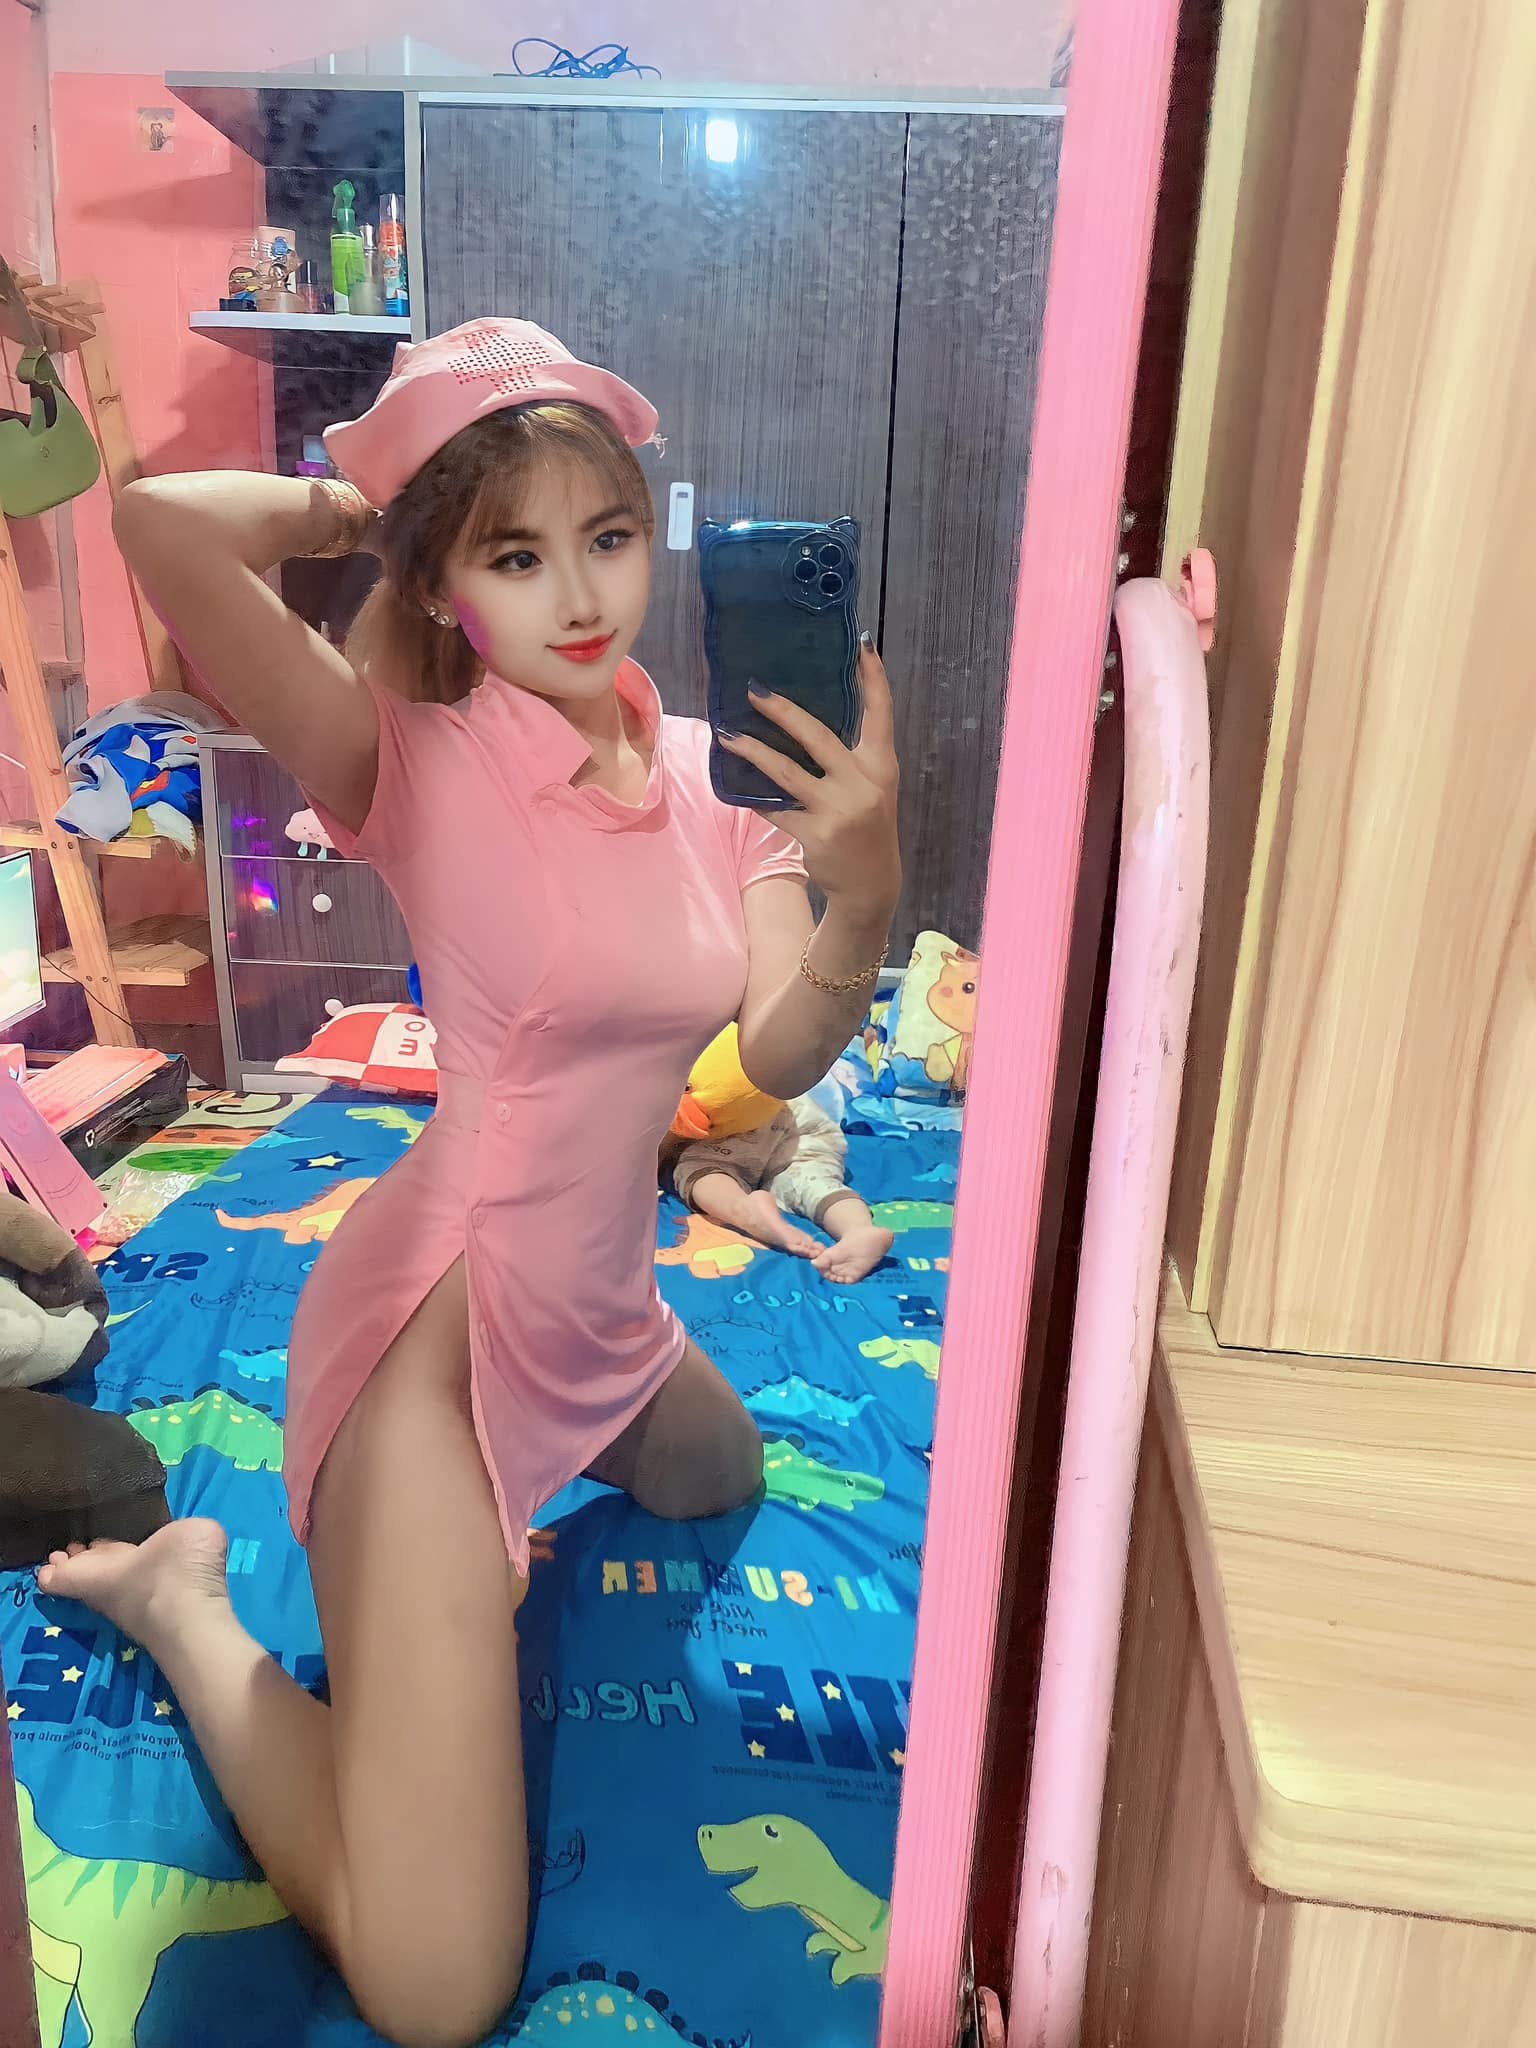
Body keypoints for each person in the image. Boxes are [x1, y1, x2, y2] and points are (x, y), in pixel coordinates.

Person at [35, 318, 901, 2048]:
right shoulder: (412, 750)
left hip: (600, 1305)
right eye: (515, 555)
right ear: (448, 582)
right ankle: (188, 1610)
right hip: (437, 1332)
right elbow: (157, 526)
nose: (578, 594)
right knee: (436, 1989)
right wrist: (372, 503)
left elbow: (781, 1049)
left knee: (720, 1469)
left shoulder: (712, 780)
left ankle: (548, 1453)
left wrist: (866, 893)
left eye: (607, 535)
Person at [672, 1091, 896, 1282]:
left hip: (725, 1109)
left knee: (704, 1169)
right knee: (812, 1179)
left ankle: (741, 1207)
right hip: (792, 1107)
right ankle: (858, 1229)